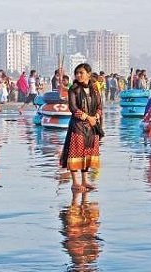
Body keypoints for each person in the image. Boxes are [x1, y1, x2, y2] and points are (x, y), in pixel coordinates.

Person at [60, 63, 103, 192]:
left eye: (81, 73)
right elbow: (73, 108)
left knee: (87, 154)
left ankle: (85, 181)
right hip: (77, 125)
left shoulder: (95, 88)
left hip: (92, 127)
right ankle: (75, 182)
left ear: (88, 74)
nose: (78, 75)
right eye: (77, 73)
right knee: (75, 153)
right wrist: (87, 117)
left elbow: (100, 106)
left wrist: (96, 116)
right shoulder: (73, 89)